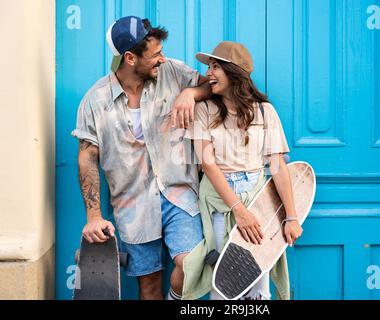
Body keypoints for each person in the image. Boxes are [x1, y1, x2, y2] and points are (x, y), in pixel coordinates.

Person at [72, 16, 211, 300]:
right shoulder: (95, 100)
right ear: (130, 58)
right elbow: (87, 157)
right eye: (155, 54)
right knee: (148, 285)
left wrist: (191, 92)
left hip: (179, 195)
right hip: (133, 206)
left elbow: (213, 85)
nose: (162, 59)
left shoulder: (172, 72)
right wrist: (94, 216)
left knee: (192, 267)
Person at [182, 41, 303, 300]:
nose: (208, 74)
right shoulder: (204, 110)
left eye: (215, 67)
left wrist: (291, 217)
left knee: (258, 287)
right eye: (209, 67)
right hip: (219, 201)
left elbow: (278, 166)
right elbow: (208, 163)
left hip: (259, 201)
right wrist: (238, 210)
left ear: (234, 72)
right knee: (223, 285)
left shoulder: (265, 112)